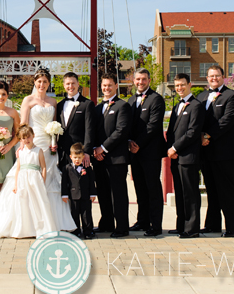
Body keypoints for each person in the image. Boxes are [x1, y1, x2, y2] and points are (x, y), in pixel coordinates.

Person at [12, 67, 76, 231]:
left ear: (49, 84)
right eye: (39, 81)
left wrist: (54, 140)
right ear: (35, 82)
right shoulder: (28, 100)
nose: (42, 84)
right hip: (33, 142)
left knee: (50, 178)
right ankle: (30, 223)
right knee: (31, 179)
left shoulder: (53, 102)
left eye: (45, 82)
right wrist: (22, 146)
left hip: (49, 145)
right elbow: (23, 125)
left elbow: (54, 124)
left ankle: (53, 221)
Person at [197, 65, 234, 237]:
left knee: (228, 190)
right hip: (206, 152)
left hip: (225, 152)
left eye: (217, 76)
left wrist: (208, 135)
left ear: (223, 77)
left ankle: (233, 227)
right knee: (212, 190)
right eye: (210, 76)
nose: (213, 78)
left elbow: (227, 120)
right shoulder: (201, 96)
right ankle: (212, 225)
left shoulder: (232, 96)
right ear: (207, 78)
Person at [90, 74, 132, 238]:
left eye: (109, 85)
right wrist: (95, 149)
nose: (106, 88)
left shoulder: (123, 106)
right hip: (99, 158)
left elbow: (121, 131)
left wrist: (103, 148)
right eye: (104, 85)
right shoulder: (97, 107)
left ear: (116, 86)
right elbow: (93, 130)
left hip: (116, 158)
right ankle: (106, 223)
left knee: (118, 193)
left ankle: (121, 227)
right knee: (103, 192)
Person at [127, 68, 167, 236]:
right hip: (134, 153)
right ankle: (142, 221)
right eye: (138, 79)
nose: (140, 82)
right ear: (134, 81)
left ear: (149, 80)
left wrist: (138, 143)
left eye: (143, 79)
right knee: (140, 188)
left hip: (150, 151)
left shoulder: (156, 99)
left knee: (153, 189)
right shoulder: (130, 100)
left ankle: (155, 225)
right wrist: (129, 142)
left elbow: (153, 125)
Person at [165, 73, 204, 238]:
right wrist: (169, 148)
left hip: (188, 156)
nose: (179, 88)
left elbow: (193, 132)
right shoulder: (176, 105)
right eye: (177, 86)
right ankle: (181, 225)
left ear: (190, 84)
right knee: (180, 193)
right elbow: (171, 131)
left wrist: (175, 147)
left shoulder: (196, 105)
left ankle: (192, 228)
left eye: (182, 85)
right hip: (176, 157)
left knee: (190, 193)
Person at [55, 71, 95, 169]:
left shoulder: (87, 104)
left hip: (79, 154)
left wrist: (86, 152)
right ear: (64, 85)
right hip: (62, 153)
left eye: (73, 83)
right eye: (68, 84)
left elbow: (89, 130)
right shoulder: (59, 105)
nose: (71, 86)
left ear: (78, 84)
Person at [61, 142, 97, 239]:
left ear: (83, 157)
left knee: (86, 214)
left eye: (79, 158)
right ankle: (75, 231)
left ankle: (88, 231)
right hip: (73, 195)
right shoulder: (67, 168)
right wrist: (64, 194)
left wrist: (93, 194)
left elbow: (91, 182)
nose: (77, 160)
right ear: (71, 157)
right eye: (75, 157)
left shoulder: (87, 168)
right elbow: (64, 183)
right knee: (74, 214)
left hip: (85, 195)